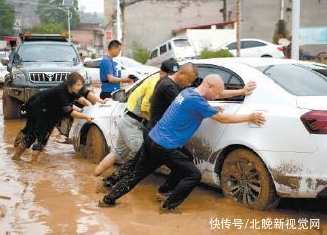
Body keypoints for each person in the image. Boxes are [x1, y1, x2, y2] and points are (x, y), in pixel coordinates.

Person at [98, 74, 265, 213]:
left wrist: (241, 91)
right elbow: (223, 119)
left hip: (153, 139)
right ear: (208, 86)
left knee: (139, 174)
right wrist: (249, 117)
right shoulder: (197, 101)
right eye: (215, 93)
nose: (216, 97)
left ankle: (108, 199)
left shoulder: (189, 92)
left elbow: (218, 95)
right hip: (165, 146)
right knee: (193, 175)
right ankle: (168, 206)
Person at [93, 58, 180, 177]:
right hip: (133, 123)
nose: (172, 77)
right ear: (162, 72)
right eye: (169, 74)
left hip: (127, 119)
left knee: (117, 153)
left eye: (174, 74)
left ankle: (94, 176)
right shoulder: (157, 83)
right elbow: (146, 108)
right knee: (141, 155)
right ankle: (112, 181)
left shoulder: (156, 79)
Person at [12, 72, 94, 163]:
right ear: (70, 84)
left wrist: (91, 107)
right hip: (38, 107)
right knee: (39, 135)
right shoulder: (61, 91)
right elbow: (69, 111)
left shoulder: (72, 90)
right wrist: (86, 116)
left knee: (37, 133)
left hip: (48, 109)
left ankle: (17, 157)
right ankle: (31, 162)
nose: (80, 87)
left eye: (81, 84)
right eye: (78, 85)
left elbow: (81, 100)